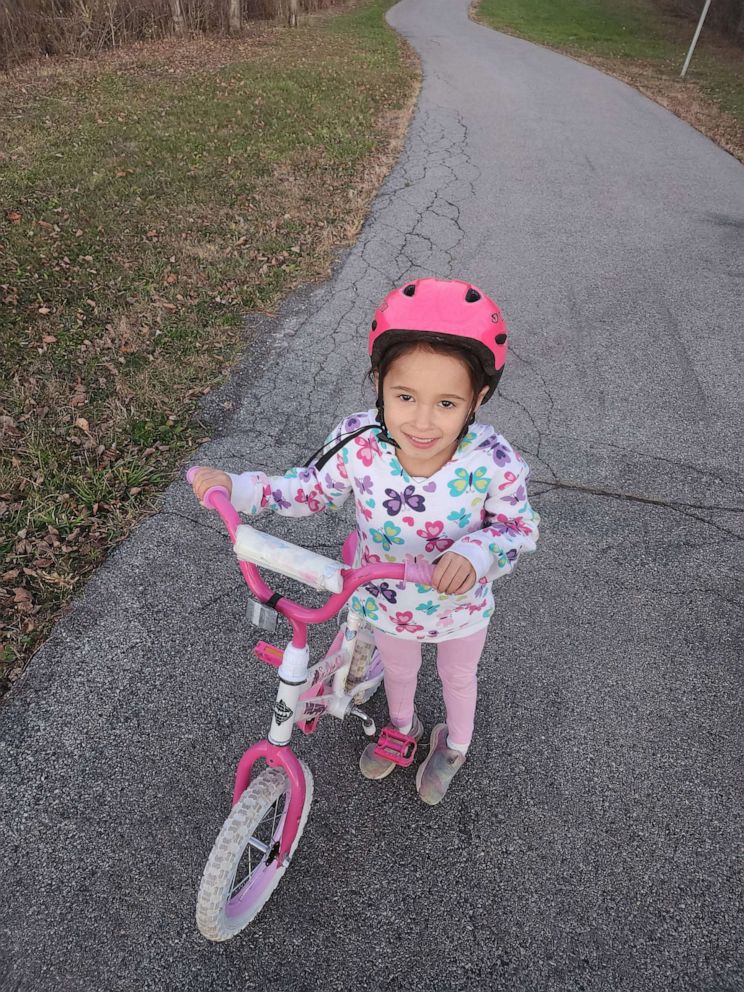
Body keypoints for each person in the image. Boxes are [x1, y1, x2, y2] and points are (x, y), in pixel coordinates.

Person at [190, 277, 540, 804]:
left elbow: (519, 528)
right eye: (404, 397)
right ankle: (403, 726)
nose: (422, 421)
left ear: (479, 398)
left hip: (459, 605)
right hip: (385, 596)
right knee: (399, 668)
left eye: (446, 404)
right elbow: (308, 490)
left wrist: (476, 551)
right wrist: (237, 488)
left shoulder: (491, 462)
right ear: (379, 382)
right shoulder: (360, 443)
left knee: (457, 674)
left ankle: (455, 743)